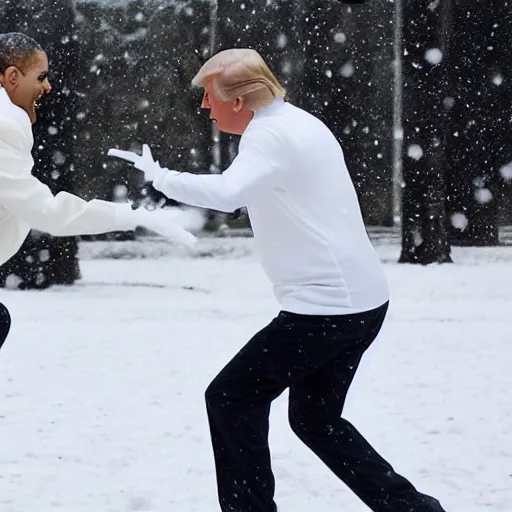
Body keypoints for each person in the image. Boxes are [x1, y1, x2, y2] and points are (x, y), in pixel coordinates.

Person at [109, 48, 446, 512]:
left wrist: (161, 178)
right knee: (315, 420)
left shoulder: (270, 135)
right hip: (360, 302)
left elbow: (229, 193)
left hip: (325, 309)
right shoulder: (299, 122)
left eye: (209, 96)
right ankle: (411, 508)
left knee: (230, 398)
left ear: (240, 100)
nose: (205, 107)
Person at [0, 32, 196, 349]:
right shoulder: (3, 131)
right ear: (11, 77)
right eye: (41, 76)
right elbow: (46, 211)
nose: (47, 87)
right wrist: (129, 215)